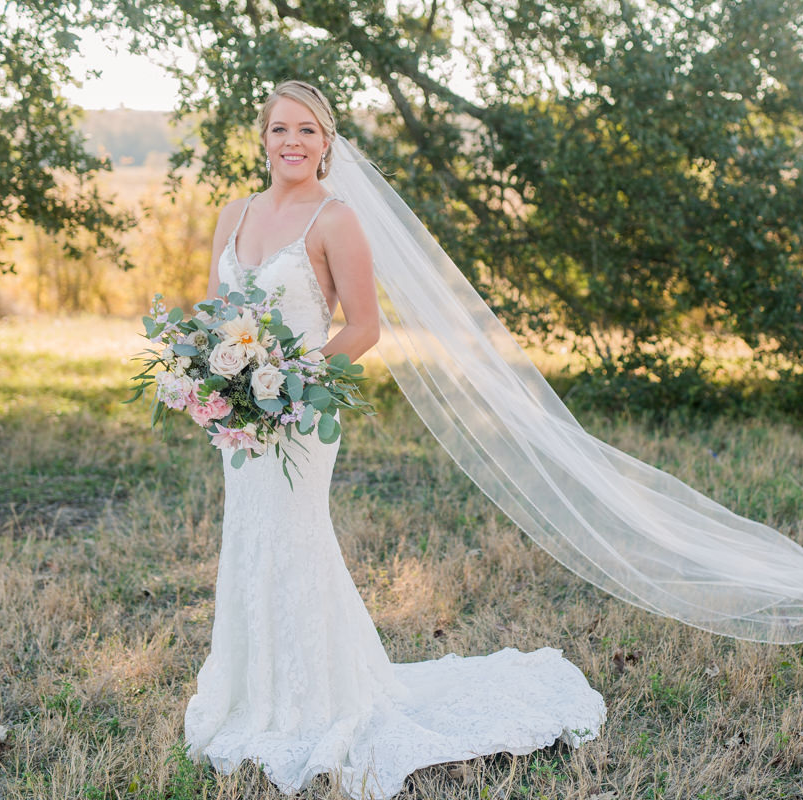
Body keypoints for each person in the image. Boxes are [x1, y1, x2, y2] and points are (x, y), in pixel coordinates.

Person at [184, 80, 608, 800]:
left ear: (327, 142)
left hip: (298, 414)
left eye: (308, 131)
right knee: (248, 539)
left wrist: (286, 383)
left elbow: (363, 328)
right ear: (262, 136)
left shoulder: (335, 217)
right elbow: (217, 312)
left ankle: (316, 701)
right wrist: (216, 377)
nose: (293, 142)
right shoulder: (235, 212)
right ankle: (256, 697)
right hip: (239, 421)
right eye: (281, 129)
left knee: (294, 538)